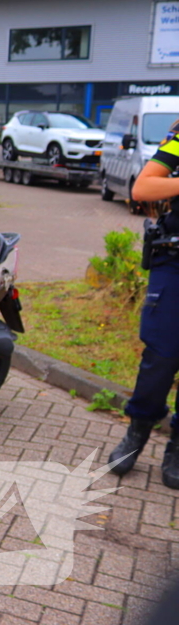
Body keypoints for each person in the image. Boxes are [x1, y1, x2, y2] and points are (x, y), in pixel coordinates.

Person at [108, 116, 179, 488]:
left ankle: (177, 446)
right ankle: (137, 429)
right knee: (162, 355)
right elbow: (143, 187)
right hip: (175, 262)